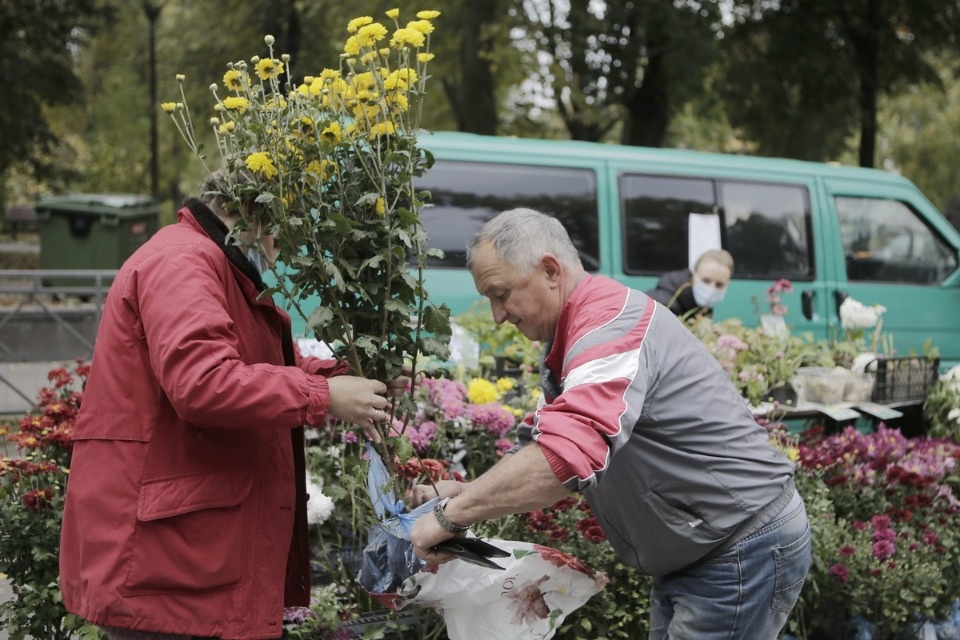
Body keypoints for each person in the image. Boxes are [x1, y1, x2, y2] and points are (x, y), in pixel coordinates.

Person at [409, 208, 811, 639]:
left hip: (737, 549)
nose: (497, 315)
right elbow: (547, 438)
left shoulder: (608, 325)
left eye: (501, 294)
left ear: (549, 270)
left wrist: (453, 517)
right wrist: (468, 493)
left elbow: (566, 454)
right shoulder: (579, 329)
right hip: (705, 549)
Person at [59, 174, 403, 640]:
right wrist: (322, 395)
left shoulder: (206, 259)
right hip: (169, 565)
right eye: (280, 233)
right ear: (254, 212)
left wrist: (340, 379)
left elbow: (253, 359)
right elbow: (204, 381)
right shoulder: (184, 260)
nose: (280, 251)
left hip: (181, 554)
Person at [645, 248, 734, 318]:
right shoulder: (662, 304)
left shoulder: (700, 307)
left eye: (719, 284)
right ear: (693, 275)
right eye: (706, 281)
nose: (711, 288)